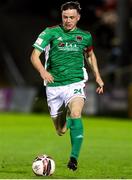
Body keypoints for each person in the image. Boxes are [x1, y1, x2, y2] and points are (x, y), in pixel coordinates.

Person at [30, 1, 104, 171]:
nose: (68, 20)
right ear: (61, 16)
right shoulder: (50, 32)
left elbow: (90, 56)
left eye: (71, 17)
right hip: (54, 86)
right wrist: (43, 71)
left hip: (75, 82)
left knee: (76, 112)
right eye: (65, 17)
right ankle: (67, 118)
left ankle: (73, 159)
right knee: (61, 130)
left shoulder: (85, 36)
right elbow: (34, 55)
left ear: (78, 17)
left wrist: (98, 77)